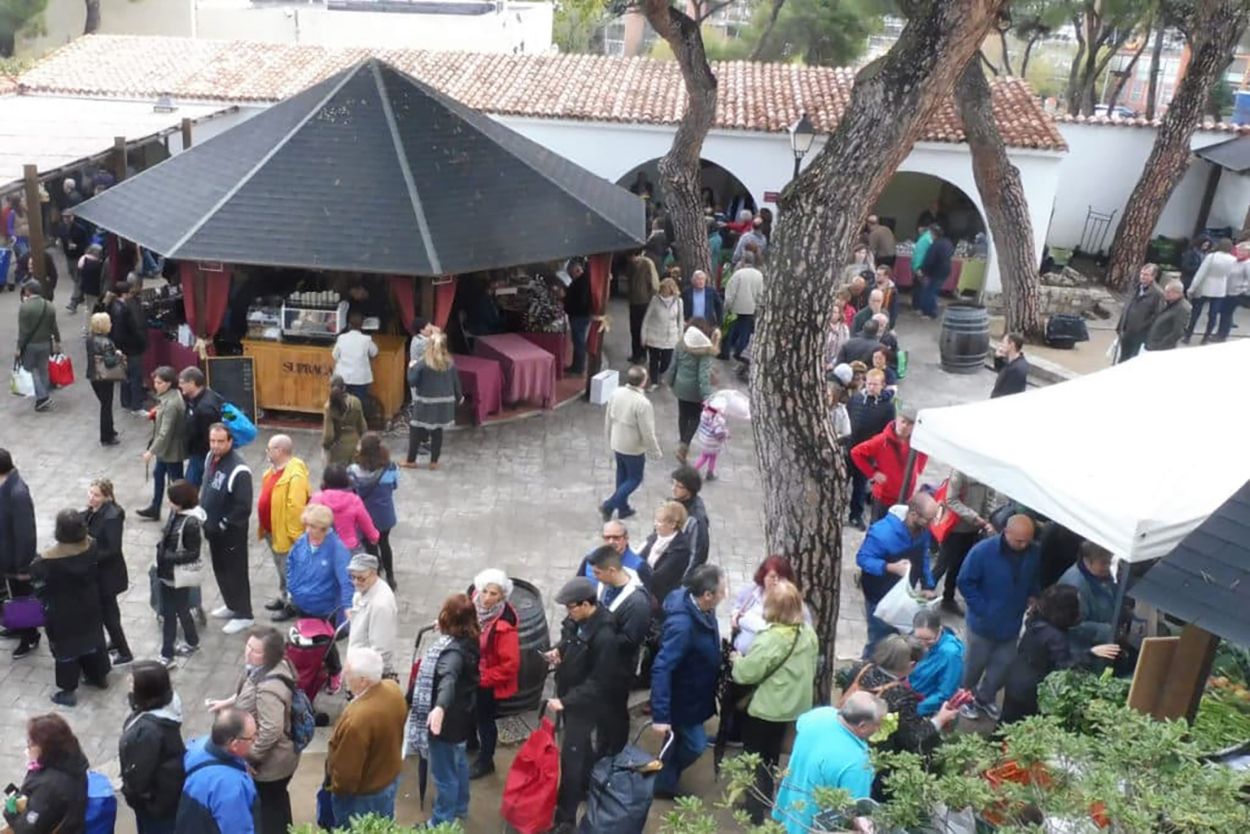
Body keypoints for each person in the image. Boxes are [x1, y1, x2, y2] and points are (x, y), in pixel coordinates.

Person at [730, 579, 818, 824]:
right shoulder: (807, 632)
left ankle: (754, 811)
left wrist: (737, 659)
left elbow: (746, 673)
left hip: (766, 708)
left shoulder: (770, 639)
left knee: (754, 758)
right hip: (793, 707)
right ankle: (769, 796)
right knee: (772, 756)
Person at [545, 577, 626, 831]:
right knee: (580, 750)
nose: (568, 612)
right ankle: (591, 784)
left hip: (583, 705)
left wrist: (566, 701)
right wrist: (559, 651)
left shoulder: (605, 638)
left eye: (571, 607)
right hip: (569, 695)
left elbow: (599, 683)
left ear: (586, 604)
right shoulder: (577, 620)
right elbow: (568, 638)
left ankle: (565, 816)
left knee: (572, 758)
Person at [205, 627, 299, 834]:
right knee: (277, 801)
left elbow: (271, 730)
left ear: (269, 655)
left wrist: (250, 757)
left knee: (269, 810)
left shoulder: (269, 689)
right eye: (248, 646)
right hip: (279, 761)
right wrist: (228, 702)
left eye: (255, 651)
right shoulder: (263, 669)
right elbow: (248, 690)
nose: (248, 652)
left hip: (272, 765)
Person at [650, 564, 725, 799]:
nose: (725, 594)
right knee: (695, 744)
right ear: (707, 596)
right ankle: (663, 780)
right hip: (683, 700)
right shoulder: (683, 627)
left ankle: (663, 782)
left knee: (677, 741)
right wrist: (661, 716)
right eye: (722, 590)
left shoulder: (702, 609)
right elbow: (662, 667)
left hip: (694, 696)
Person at [957, 514, 1041, 721]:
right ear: (1006, 532)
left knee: (1002, 666)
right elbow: (965, 582)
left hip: (1011, 623)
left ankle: (985, 698)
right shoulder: (983, 552)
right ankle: (963, 698)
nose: (1023, 545)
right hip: (982, 624)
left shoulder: (1033, 553)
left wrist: (1033, 595)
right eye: (1019, 540)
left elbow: (1033, 577)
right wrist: (982, 609)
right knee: (974, 665)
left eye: (1027, 540)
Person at [1000, 584, 1121, 724]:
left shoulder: (1037, 618)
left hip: (1015, 676)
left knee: (1005, 722)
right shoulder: (1055, 637)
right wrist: (1091, 653)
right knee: (1020, 725)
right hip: (1030, 689)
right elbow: (1064, 665)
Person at [406, 598, 478, 827]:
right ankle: (460, 807)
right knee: (459, 763)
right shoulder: (470, 639)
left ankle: (440, 823)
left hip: (445, 723)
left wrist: (439, 707)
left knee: (444, 775)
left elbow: (448, 678)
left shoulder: (451, 653)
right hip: (463, 716)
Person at [771, 691, 886, 834]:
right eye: (877, 724)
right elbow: (854, 810)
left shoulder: (820, 715)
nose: (879, 729)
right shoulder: (858, 763)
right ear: (862, 725)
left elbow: (800, 724)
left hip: (792, 804)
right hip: (815, 826)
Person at [32, 509, 110, 707]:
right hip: (89, 603)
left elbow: (39, 587)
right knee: (93, 639)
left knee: (65, 649)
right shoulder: (91, 545)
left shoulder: (47, 560)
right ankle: (98, 676)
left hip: (62, 610)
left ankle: (68, 690)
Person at [586, 546, 651, 752]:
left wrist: (599, 635)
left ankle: (614, 751)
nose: (594, 577)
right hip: (602, 663)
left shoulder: (637, 603)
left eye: (597, 573)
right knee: (603, 710)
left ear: (612, 571)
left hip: (619, 670)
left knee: (615, 712)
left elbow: (631, 639)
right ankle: (603, 744)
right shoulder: (605, 585)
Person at [855, 493, 938, 656]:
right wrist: (889, 567)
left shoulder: (923, 530)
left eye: (933, 519)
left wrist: (928, 584)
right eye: (928, 519)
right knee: (878, 640)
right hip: (879, 598)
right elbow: (863, 558)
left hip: (904, 595)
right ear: (913, 514)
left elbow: (924, 556)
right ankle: (868, 669)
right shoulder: (882, 532)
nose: (931, 524)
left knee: (897, 637)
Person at [119, 661, 186, 834]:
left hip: (155, 803)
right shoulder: (166, 707)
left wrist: (131, 793)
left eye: (133, 682)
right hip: (166, 794)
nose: (128, 683)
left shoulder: (147, 732)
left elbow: (139, 775)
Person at [201, 423, 255, 634]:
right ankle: (231, 604)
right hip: (212, 530)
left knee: (236, 572)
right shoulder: (210, 458)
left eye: (220, 441)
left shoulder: (239, 470)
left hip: (231, 534)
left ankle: (245, 614)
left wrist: (223, 524)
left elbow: (243, 507)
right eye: (212, 441)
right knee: (220, 569)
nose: (215, 445)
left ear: (230, 441)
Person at [469, 569, 519, 779]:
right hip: (471, 673)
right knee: (468, 712)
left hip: (486, 682)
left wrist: (483, 678)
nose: (487, 598)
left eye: (494, 594)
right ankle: (471, 743)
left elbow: (510, 665)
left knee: (485, 721)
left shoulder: (504, 628)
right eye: (485, 591)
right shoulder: (472, 605)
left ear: (502, 596)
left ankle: (486, 760)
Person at [176, 708, 260, 834]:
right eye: (252, 738)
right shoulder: (231, 787)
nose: (256, 739)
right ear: (235, 744)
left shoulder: (197, 746)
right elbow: (237, 829)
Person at [4, 714, 90, 834]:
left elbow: (28, 829)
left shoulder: (49, 787)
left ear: (46, 748)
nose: (28, 747)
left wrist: (10, 812)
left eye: (32, 743)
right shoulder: (72, 762)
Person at [601, 365, 662, 521]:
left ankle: (623, 508)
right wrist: (655, 450)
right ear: (643, 381)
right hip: (633, 447)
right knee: (634, 478)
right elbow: (647, 431)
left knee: (622, 476)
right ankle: (609, 505)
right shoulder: (643, 403)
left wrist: (608, 437)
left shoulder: (616, 393)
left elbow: (608, 418)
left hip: (617, 441)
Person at [257, 434, 309, 615]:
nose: (266, 452)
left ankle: (292, 605)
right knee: (281, 568)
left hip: (285, 535)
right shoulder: (274, 470)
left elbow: (296, 509)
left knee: (290, 570)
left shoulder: (295, 477)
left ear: (279, 451)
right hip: (272, 531)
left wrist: (294, 537)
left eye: (269, 449)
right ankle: (283, 595)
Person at [155, 480, 204, 667]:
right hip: (167, 572)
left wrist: (168, 556)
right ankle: (192, 641)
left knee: (169, 613)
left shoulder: (190, 522)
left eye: (172, 500)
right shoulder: (176, 513)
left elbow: (194, 553)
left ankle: (167, 655)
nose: (169, 503)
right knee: (181, 608)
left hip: (175, 574)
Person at [83, 478, 132, 665]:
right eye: (90, 493)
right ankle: (116, 642)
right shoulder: (94, 511)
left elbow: (113, 549)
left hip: (107, 576)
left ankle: (124, 652)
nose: (91, 498)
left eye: (96, 495)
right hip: (101, 574)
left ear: (107, 497)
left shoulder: (111, 517)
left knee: (109, 616)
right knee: (111, 613)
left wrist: (89, 557)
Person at [851, 410, 928, 522]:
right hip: (884, 498)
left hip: (906, 497)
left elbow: (924, 453)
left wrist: (918, 469)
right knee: (878, 529)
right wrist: (872, 473)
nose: (905, 426)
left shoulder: (916, 442)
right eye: (903, 422)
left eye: (910, 424)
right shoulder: (881, 440)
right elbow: (856, 453)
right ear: (897, 420)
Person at [937, 469, 996, 615]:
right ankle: (922, 597)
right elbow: (951, 500)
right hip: (955, 528)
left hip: (973, 529)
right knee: (941, 565)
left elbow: (990, 498)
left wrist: (986, 519)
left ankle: (948, 598)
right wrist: (975, 517)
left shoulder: (989, 470)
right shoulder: (960, 471)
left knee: (958, 566)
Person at [282, 504, 353, 623]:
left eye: (313, 526)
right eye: (307, 525)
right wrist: (291, 589)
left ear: (324, 528)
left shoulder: (337, 549)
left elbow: (346, 580)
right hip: (301, 606)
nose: (308, 530)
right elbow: (291, 563)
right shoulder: (302, 541)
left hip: (324, 612)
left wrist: (348, 606)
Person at [0, 449, 39, 657]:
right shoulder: (6, 487)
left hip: (18, 562)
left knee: (23, 598)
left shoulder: (17, 493)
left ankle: (30, 636)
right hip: (7, 557)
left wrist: (23, 566)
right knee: (14, 597)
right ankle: (17, 626)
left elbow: (25, 533)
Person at [845, 369, 895, 529]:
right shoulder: (856, 399)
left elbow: (887, 432)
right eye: (869, 383)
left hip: (867, 454)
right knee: (840, 483)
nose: (871, 387)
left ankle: (855, 515)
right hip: (849, 448)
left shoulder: (887, 407)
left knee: (860, 486)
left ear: (883, 386)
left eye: (875, 384)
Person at [405, 331, 461, 470]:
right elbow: (456, 382)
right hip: (444, 403)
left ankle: (411, 460)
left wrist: (410, 368)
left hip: (426, 403)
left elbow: (412, 382)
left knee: (416, 428)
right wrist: (459, 397)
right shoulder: (449, 363)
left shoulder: (422, 364)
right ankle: (434, 462)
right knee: (437, 430)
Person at [349, 433, 399, 588]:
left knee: (370, 547)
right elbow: (395, 485)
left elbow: (351, 492)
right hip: (385, 515)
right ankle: (390, 578)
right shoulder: (390, 467)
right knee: (385, 543)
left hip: (365, 517)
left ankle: (376, 577)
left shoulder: (353, 470)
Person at [138, 367, 188, 521]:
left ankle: (180, 513)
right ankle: (155, 507)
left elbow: (164, 433)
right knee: (158, 474)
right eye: (155, 381)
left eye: (159, 382)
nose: (155, 385)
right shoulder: (170, 397)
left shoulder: (171, 404)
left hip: (171, 451)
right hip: (166, 451)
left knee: (176, 483)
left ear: (168, 384)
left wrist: (150, 452)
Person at [1057, 542, 1121, 657]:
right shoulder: (1074, 585)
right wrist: (1107, 630)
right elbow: (1072, 624)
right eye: (1103, 563)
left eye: (1109, 562)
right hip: (1082, 650)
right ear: (1087, 561)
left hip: (1103, 643)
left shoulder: (1102, 575)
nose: (1107, 567)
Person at [669, 320, 719, 461]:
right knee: (695, 417)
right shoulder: (705, 350)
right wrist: (707, 396)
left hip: (680, 387)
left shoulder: (680, 344)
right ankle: (685, 445)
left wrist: (670, 381)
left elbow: (673, 365)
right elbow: (703, 376)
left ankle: (682, 441)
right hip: (695, 391)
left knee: (683, 415)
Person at [346, 553, 399, 677]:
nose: (355, 582)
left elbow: (381, 650)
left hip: (367, 676)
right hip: (358, 668)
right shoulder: (366, 588)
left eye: (360, 578)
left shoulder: (381, 605)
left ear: (374, 574)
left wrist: (365, 679)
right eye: (352, 577)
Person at [310, 464, 379, 555]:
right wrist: (374, 537)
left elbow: (309, 523)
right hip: (349, 548)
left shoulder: (317, 498)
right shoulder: (354, 500)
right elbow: (366, 522)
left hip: (323, 548)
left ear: (325, 480)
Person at [909, 607, 965, 717]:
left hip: (929, 707)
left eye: (929, 639)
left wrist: (916, 709)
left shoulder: (950, 654)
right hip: (912, 693)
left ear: (939, 630)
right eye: (919, 639)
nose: (923, 644)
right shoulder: (914, 638)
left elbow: (945, 693)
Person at [17, 279, 61, 412]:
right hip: (46, 343)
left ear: (29, 291)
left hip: (30, 344)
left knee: (30, 369)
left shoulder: (25, 307)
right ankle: (44, 394)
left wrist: (19, 347)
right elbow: (54, 326)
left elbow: (23, 331)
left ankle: (42, 397)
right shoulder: (49, 306)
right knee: (43, 369)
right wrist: (57, 341)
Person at [638, 501, 693, 606]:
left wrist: (640, 567)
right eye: (656, 520)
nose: (655, 524)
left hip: (660, 598)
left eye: (660, 521)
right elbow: (640, 558)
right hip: (645, 589)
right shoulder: (655, 537)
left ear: (673, 524)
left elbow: (659, 578)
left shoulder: (680, 549)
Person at [1185, 237, 1238, 344]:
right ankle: (1206, 337)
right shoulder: (1233, 260)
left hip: (1205, 286)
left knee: (1196, 313)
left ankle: (1188, 335)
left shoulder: (1211, 257)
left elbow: (1201, 273)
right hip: (1220, 288)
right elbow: (1230, 276)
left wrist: (1192, 288)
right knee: (1213, 315)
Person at [108, 278, 149, 412]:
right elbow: (130, 331)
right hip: (131, 349)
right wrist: (141, 341)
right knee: (135, 376)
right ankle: (136, 405)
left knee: (125, 376)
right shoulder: (124, 310)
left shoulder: (112, 306)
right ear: (125, 293)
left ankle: (125, 401)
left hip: (121, 348)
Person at [178, 367, 224, 487]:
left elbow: (208, 436)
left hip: (202, 455)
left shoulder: (205, 408)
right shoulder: (201, 397)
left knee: (189, 489)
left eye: (182, 383)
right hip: (198, 453)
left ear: (192, 383)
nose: (179, 385)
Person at [574, 521, 654, 589]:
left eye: (616, 538)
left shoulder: (639, 566)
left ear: (626, 538)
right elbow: (578, 586)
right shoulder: (591, 559)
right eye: (607, 538)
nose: (611, 541)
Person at [84, 312, 122, 445]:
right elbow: (110, 362)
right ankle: (107, 435)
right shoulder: (106, 341)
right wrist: (118, 355)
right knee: (106, 406)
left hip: (93, 376)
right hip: (104, 378)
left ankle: (109, 429)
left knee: (105, 404)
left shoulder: (90, 339)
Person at [641, 277, 684, 388]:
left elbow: (680, 320)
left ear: (672, 289)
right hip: (654, 336)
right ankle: (654, 381)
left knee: (667, 361)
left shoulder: (679, 302)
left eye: (666, 289)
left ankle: (660, 373)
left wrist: (680, 337)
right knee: (654, 360)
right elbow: (646, 318)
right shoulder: (655, 300)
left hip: (671, 337)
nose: (664, 291)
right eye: (662, 288)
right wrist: (643, 336)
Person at [1115, 264, 1164, 361]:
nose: (1142, 277)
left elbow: (1157, 315)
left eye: (1146, 275)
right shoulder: (1135, 287)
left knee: (1133, 360)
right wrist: (1120, 326)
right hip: (1126, 330)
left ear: (1153, 277)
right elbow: (1127, 307)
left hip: (1140, 335)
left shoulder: (1157, 294)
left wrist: (1143, 327)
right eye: (1141, 274)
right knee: (1123, 357)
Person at [723, 251, 765, 362]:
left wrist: (727, 306)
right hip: (750, 308)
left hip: (736, 307)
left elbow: (731, 292)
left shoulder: (738, 274)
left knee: (730, 329)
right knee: (744, 332)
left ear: (743, 260)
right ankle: (740, 352)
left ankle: (725, 352)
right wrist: (758, 306)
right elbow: (760, 293)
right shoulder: (759, 275)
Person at [332, 312, 378, 402]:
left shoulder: (342, 338)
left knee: (343, 402)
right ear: (362, 326)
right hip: (360, 379)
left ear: (349, 325)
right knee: (358, 403)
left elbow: (334, 355)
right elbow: (374, 352)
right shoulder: (366, 339)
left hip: (343, 377)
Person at [671, 466, 710, 573]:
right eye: (673, 484)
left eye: (679, 486)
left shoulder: (696, 518)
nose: (673, 489)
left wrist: (685, 580)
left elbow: (698, 553)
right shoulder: (674, 503)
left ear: (689, 490)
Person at [322, 376, 366, 468]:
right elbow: (363, 426)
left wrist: (326, 447)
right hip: (354, 443)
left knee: (337, 478)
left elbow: (328, 435)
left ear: (330, 388)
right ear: (344, 387)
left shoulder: (329, 407)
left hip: (338, 447)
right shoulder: (355, 402)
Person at [627, 250, 661, 363]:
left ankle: (642, 355)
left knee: (642, 328)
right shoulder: (632, 265)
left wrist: (653, 296)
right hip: (634, 300)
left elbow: (654, 281)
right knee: (634, 329)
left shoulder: (646, 263)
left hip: (644, 301)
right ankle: (636, 353)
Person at [560, 258, 592, 374]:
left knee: (579, 342)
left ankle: (578, 367)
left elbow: (580, 301)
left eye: (571, 272)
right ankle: (577, 365)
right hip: (579, 315)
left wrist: (566, 297)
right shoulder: (582, 281)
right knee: (578, 341)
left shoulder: (582, 282)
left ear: (577, 270)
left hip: (579, 316)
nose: (571, 275)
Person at [1146, 278, 1192, 351]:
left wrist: (1160, 345)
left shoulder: (1183, 309)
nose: (1165, 294)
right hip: (1153, 342)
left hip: (1162, 347)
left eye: (1168, 292)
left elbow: (1177, 332)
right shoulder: (1169, 302)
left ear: (1177, 293)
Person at [917, 224, 953, 319]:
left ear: (933, 234)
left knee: (929, 291)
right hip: (945, 270)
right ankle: (930, 311)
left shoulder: (935, 245)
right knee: (933, 291)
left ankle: (929, 313)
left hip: (936, 271)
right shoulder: (947, 242)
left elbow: (929, 260)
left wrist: (922, 270)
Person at [691, 400, 729, 482]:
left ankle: (708, 472)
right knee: (710, 457)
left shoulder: (704, 414)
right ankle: (698, 472)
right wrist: (726, 435)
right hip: (713, 443)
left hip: (704, 439)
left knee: (706, 455)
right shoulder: (718, 420)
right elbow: (719, 434)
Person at [990, 332, 1030, 396]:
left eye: (1003, 343)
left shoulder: (1016, 369)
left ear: (1011, 345)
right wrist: (998, 358)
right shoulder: (1013, 362)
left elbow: (1005, 391)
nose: (1001, 345)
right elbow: (1001, 370)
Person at [825, 291, 853, 370]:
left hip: (837, 363)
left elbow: (845, 347)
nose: (831, 314)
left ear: (840, 314)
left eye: (834, 312)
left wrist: (833, 363)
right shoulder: (822, 328)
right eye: (830, 312)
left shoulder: (844, 329)